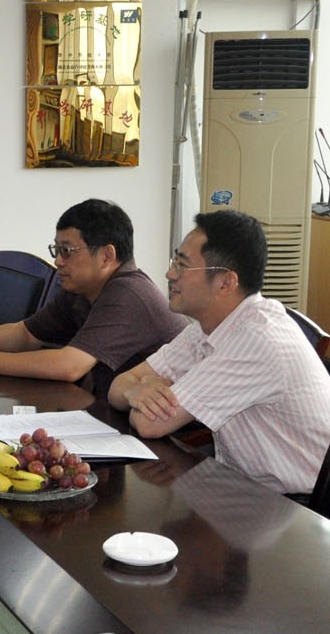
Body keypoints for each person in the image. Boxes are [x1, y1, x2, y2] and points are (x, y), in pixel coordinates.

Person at [109, 209, 330, 494]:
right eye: (174, 261)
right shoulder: (207, 326)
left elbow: (149, 424)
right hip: (242, 482)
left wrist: (141, 392)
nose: (170, 274)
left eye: (182, 265)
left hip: (297, 507)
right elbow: (119, 385)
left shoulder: (255, 340)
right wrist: (135, 391)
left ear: (226, 282)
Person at [0, 199, 186, 398]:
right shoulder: (80, 289)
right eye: (57, 250)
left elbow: (69, 366)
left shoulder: (128, 294)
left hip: (171, 428)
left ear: (107, 256)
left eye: (66, 251)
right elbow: (26, 334)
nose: (57, 261)